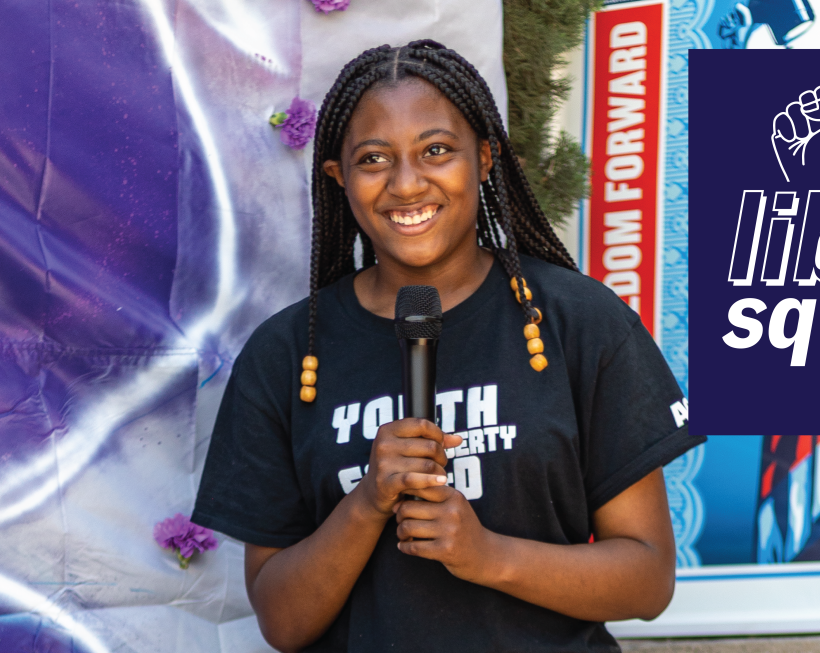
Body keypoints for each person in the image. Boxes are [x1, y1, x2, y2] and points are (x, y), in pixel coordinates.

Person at [191, 40, 702, 652]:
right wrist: (367, 502)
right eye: (374, 159)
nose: (407, 185)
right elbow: (282, 622)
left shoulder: (577, 322)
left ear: (485, 157)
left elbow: (647, 582)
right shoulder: (286, 356)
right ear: (339, 178)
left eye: (436, 150)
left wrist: (487, 555)